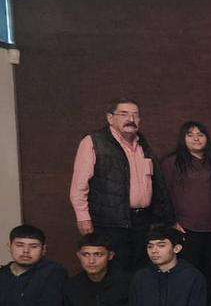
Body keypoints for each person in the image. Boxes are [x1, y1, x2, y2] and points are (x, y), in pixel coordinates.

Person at [69, 98, 172, 270]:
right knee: (115, 271)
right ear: (110, 118)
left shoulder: (143, 144)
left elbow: (157, 184)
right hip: (109, 222)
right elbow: (79, 186)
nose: (131, 119)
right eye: (124, 114)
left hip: (143, 222)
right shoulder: (94, 142)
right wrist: (83, 217)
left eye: (135, 115)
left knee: (141, 270)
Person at [161, 120, 211, 284]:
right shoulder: (171, 162)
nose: (196, 139)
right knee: (188, 275)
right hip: (185, 228)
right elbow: (163, 195)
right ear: (183, 138)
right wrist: (172, 222)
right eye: (190, 135)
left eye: (200, 135)